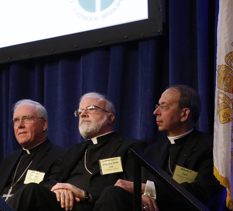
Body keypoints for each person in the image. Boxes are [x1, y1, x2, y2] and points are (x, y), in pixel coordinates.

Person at [7, 93, 145, 211]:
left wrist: (85, 194)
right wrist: (61, 189)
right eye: (80, 112)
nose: (83, 114)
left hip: (100, 204)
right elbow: (51, 179)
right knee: (32, 190)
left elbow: (130, 186)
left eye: (91, 109)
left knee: (112, 193)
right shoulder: (72, 151)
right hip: (68, 205)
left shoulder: (130, 147)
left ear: (110, 117)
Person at [95, 86, 223, 211]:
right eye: (157, 106)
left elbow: (204, 192)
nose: (156, 112)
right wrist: (141, 195)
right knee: (113, 193)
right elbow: (139, 183)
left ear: (184, 114)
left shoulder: (209, 147)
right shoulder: (152, 151)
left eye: (163, 106)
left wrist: (146, 189)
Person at [0, 99, 65, 210]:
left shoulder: (60, 156)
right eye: (16, 120)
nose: (20, 125)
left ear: (44, 124)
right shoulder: (9, 160)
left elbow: (45, 194)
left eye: (27, 119)